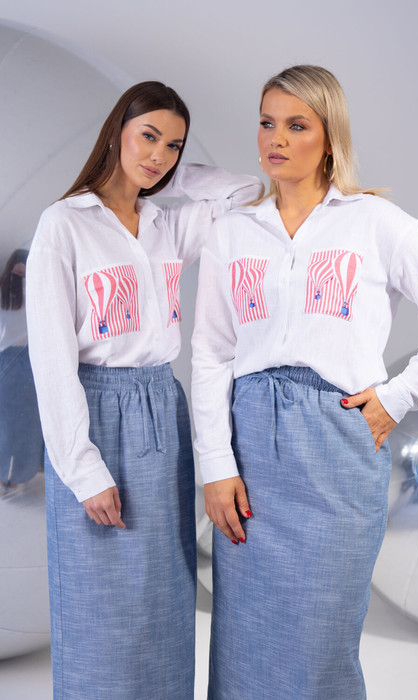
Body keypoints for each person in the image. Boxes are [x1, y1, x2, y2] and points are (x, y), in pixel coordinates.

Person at [191, 65, 418, 699]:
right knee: (244, 638)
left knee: (321, 638)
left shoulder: (373, 222)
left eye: (297, 125)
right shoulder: (233, 232)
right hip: (249, 446)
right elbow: (210, 354)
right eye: (267, 123)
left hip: (336, 444)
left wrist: (399, 396)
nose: (276, 138)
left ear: (330, 136)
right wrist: (215, 464)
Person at [26, 80, 262, 700]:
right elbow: (51, 359)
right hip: (96, 411)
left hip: (162, 405)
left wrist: (174, 177)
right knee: (98, 596)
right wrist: (83, 469)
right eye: (148, 136)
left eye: (174, 146)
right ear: (116, 132)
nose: (159, 155)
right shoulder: (64, 224)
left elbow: (245, 195)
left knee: (163, 586)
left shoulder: (167, 224)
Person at [0, 249, 43, 493]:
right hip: (29, 362)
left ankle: (6, 475)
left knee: (7, 424)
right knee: (27, 425)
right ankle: (19, 473)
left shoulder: (3, 291)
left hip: (6, 361)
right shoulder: (37, 292)